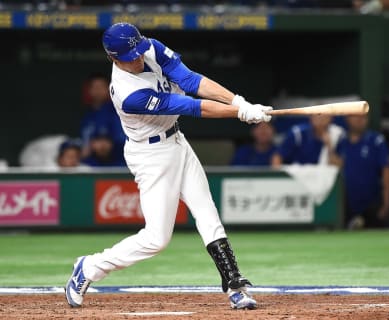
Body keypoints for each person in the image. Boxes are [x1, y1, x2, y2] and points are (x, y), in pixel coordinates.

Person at [65, 22, 272, 310]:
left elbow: (190, 80)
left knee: (207, 212)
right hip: (150, 155)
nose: (137, 58)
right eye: (129, 56)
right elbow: (190, 105)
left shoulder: (149, 46)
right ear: (113, 58)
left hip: (177, 141)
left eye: (137, 51)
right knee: (156, 239)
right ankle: (89, 268)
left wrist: (239, 101)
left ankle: (235, 286)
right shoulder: (128, 94)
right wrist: (240, 113)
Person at [335, 114, 389, 229]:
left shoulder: (376, 140)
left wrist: (387, 200)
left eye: (363, 117)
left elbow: (386, 170)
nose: (359, 120)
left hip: (372, 202)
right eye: (355, 116)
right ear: (347, 119)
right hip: (347, 203)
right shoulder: (341, 141)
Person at [80, 73, 125, 161]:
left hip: (118, 162)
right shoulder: (88, 115)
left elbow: (122, 140)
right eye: (95, 87)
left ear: (109, 89)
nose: (98, 91)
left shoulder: (117, 111)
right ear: (89, 90)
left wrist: (105, 144)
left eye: (101, 87)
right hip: (92, 164)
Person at [271, 114, 344, 166]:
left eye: (323, 115)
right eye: (317, 114)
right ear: (311, 116)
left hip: (323, 183)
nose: (320, 118)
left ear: (331, 118)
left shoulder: (337, 134)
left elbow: (338, 166)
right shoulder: (297, 133)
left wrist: (329, 146)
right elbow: (277, 157)